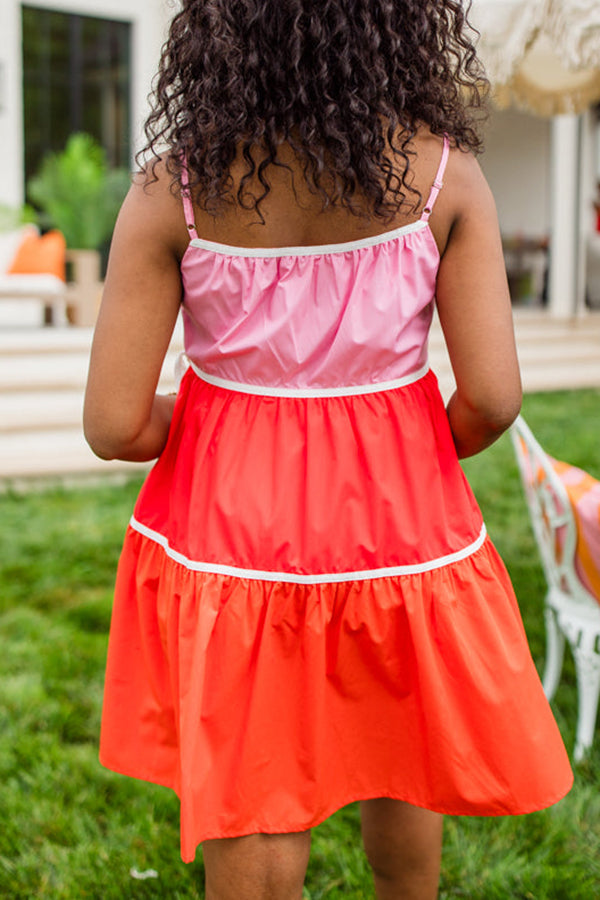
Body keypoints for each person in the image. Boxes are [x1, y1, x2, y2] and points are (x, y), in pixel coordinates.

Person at [84, 2, 573, 897]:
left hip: (235, 534)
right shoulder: (444, 181)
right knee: (401, 736)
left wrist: (206, 428)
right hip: (401, 519)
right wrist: (408, 446)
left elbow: (114, 425)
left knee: (255, 779)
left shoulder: (175, 189)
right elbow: (494, 396)